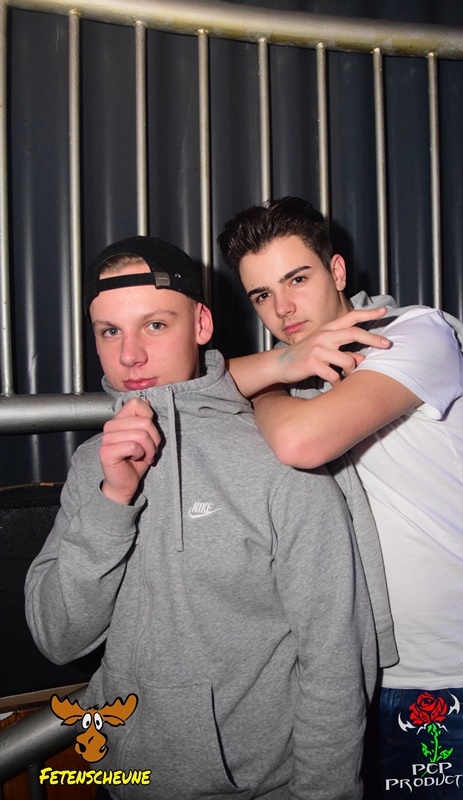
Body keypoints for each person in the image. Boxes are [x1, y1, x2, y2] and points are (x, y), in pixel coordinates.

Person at [25, 235, 379, 800]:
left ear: (201, 325)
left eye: (155, 325)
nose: (130, 355)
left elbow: (335, 656)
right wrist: (113, 501)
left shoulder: (277, 454)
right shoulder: (94, 462)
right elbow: (57, 638)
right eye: (110, 331)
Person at [217, 197, 463, 798]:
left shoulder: (415, 334)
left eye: (297, 279)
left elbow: (302, 441)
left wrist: (269, 383)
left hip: (451, 679)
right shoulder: (301, 374)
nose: (283, 309)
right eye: (262, 295)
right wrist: (283, 367)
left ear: (336, 272)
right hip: (349, 677)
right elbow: (193, 386)